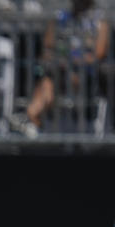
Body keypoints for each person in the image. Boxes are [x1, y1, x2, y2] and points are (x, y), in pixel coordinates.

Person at [8, 0, 109, 137]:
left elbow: (99, 54)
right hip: (59, 72)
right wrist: (59, 60)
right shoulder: (60, 18)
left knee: (60, 78)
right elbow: (47, 49)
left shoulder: (99, 22)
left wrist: (73, 61)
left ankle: (32, 121)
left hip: (86, 76)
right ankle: (32, 119)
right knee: (48, 82)